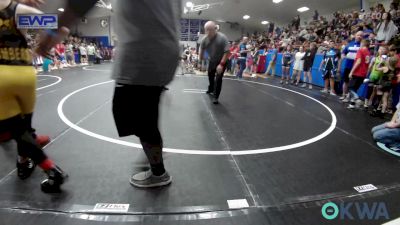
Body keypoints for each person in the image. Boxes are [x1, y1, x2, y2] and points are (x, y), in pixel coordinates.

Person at [37, 0, 180, 188]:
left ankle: (158, 170)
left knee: (136, 117)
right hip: (162, 50)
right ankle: (154, 153)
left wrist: (50, 34)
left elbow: (80, 3)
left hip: (143, 54)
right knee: (144, 114)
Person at [0, 0, 67, 193]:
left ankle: (50, 170)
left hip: (1, 76)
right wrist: (43, 47)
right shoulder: (19, 11)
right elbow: (61, 29)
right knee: (24, 127)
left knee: (18, 131)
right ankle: (24, 158)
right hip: (24, 74)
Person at [199, 21, 229, 105]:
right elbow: (202, 50)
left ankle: (216, 97)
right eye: (206, 30)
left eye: (210, 30)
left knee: (218, 78)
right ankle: (211, 88)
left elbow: (227, 52)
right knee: (210, 76)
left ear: (215, 29)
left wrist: (221, 64)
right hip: (212, 60)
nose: (208, 32)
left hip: (221, 60)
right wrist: (201, 63)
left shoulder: (223, 38)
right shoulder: (204, 39)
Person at [339, 31, 363, 101]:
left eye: (361, 35)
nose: (359, 37)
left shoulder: (362, 46)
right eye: (358, 35)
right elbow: (343, 53)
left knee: (351, 84)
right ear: (355, 35)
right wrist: (343, 56)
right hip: (348, 66)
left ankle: (348, 97)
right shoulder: (349, 44)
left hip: (357, 68)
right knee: (346, 81)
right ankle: (344, 95)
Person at [347, 39, 371, 109]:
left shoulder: (360, 50)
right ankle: (352, 104)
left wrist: (351, 71)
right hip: (363, 73)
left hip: (358, 72)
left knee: (350, 87)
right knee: (355, 89)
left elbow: (358, 61)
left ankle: (357, 99)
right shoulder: (368, 52)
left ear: (363, 43)